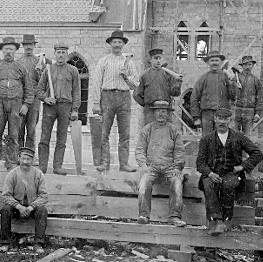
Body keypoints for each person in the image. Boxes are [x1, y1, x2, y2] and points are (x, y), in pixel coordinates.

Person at [196, 108, 263, 235]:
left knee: (228, 184)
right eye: (220, 118)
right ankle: (215, 221)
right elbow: (200, 163)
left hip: (232, 174)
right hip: (212, 173)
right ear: (215, 119)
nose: (222, 122)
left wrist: (242, 166)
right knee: (208, 184)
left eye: (225, 119)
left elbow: (257, 154)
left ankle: (226, 220)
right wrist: (210, 173)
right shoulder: (206, 139)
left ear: (230, 120)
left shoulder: (238, 137)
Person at [0, 37, 35, 172]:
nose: (8, 52)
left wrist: (26, 104)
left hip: (16, 104)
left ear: (15, 51)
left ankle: (12, 164)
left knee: (14, 135)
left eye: (11, 49)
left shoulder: (21, 68)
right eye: (6, 49)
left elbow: (29, 87)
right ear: (2, 50)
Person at [89, 30, 139, 172]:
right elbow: (97, 82)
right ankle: (104, 163)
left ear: (123, 44)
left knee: (125, 133)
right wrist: (96, 102)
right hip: (107, 97)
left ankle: (124, 164)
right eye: (114, 42)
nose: (117, 45)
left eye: (119, 42)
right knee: (104, 132)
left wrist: (126, 77)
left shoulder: (128, 62)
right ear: (110, 44)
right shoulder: (104, 61)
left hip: (124, 97)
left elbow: (136, 85)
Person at [135, 100, 186, 227]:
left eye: (163, 111)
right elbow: (140, 150)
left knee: (177, 183)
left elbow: (179, 151)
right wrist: (143, 165)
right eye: (158, 111)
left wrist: (177, 167)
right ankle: (144, 215)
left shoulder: (174, 130)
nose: (161, 114)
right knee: (143, 184)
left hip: (170, 167)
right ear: (154, 113)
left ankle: (174, 217)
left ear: (168, 114)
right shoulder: (147, 130)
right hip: (151, 167)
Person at [36, 43, 80, 175]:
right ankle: (42, 166)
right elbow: (39, 90)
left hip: (65, 106)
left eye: (63, 52)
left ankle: (57, 166)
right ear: (55, 54)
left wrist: (75, 109)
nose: (61, 55)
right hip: (50, 106)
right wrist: (45, 98)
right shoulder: (48, 70)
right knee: (44, 137)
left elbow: (76, 91)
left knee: (62, 138)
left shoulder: (73, 70)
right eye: (58, 52)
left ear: (67, 54)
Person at [0, 147, 49, 253]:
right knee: (5, 209)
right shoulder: (12, 174)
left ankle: (38, 244)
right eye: (23, 159)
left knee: (42, 210)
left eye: (28, 159)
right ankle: (5, 242)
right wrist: (18, 206)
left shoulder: (38, 174)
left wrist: (31, 207)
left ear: (33, 160)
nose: (25, 162)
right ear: (19, 158)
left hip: (32, 209)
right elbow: (6, 196)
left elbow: (44, 196)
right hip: (16, 209)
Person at [191, 51, 238, 136]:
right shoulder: (203, 78)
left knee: (222, 138)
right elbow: (194, 97)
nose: (214, 63)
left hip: (222, 114)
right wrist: (196, 117)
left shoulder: (226, 77)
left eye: (217, 60)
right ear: (208, 63)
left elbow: (233, 97)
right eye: (212, 61)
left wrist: (232, 84)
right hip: (207, 114)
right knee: (207, 138)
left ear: (221, 62)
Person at [134, 49, 183, 125]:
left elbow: (175, 93)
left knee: (166, 130)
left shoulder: (168, 74)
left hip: (165, 109)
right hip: (150, 110)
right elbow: (137, 94)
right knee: (150, 129)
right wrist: (146, 104)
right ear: (150, 60)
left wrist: (178, 83)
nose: (158, 61)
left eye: (160, 58)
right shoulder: (144, 75)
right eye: (156, 58)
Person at [18, 34, 49, 151]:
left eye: (30, 44)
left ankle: (29, 154)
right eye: (26, 45)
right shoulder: (18, 62)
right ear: (23, 46)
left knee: (31, 129)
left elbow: (44, 83)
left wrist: (39, 72)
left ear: (33, 46)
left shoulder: (39, 62)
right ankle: (19, 154)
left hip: (34, 99)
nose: (28, 47)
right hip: (21, 99)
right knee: (19, 127)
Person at [233, 56, 263, 137]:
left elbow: (260, 98)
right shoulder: (236, 79)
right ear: (242, 66)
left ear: (252, 65)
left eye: (249, 64)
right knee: (233, 136)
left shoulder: (256, 80)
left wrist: (257, 113)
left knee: (247, 137)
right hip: (236, 110)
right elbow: (230, 95)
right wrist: (234, 86)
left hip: (249, 111)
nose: (247, 67)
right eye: (245, 65)